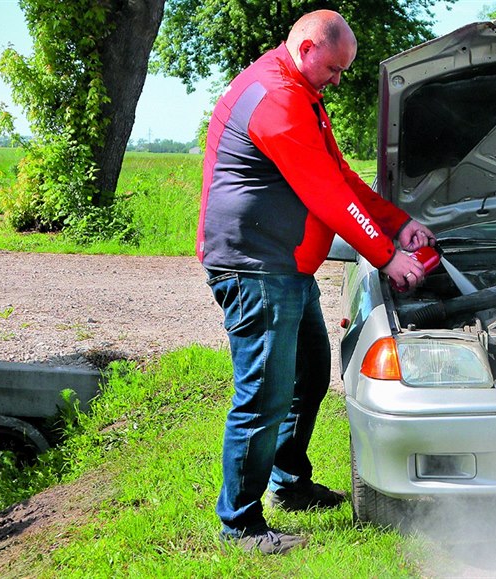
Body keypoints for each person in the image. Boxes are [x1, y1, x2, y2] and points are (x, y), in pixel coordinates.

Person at [197, 9, 435, 555]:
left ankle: (289, 483)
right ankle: (240, 524)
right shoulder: (278, 98)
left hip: (286, 265)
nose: (338, 79)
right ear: (306, 50)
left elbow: (343, 177)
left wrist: (401, 223)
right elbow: (325, 194)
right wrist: (386, 256)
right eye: (333, 68)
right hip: (256, 267)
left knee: (309, 375)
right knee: (264, 393)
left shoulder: (301, 93)